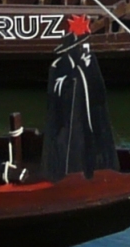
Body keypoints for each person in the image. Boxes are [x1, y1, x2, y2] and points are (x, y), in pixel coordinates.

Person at [44, 18, 118, 180]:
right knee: (72, 145)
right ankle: (69, 176)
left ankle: (95, 169)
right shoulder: (61, 69)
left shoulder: (88, 66)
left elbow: (97, 95)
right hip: (69, 127)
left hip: (87, 123)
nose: (86, 50)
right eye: (82, 46)